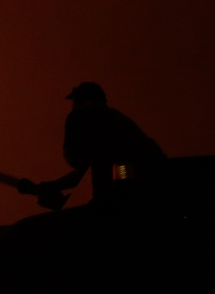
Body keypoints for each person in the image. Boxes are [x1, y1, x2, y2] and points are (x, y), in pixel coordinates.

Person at [19, 82, 165, 209]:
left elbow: (83, 164)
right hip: (157, 180)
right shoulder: (117, 121)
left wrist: (55, 190)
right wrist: (56, 186)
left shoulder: (81, 117)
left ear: (80, 100)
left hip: (131, 188)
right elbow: (95, 169)